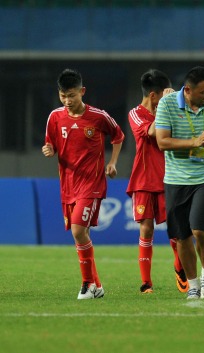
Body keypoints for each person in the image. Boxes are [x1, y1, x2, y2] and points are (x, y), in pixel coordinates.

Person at [42, 68, 125, 299]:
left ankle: (87, 284)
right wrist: (49, 149)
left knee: (78, 231)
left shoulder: (98, 116)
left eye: (71, 95)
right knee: (82, 234)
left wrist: (112, 162)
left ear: (82, 92)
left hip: (92, 184)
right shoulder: (55, 117)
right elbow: (51, 144)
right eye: (63, 96)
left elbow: (118, 136)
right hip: (68, 185)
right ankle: (97, 286)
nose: (67, 101)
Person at [155, 66, 204, 300]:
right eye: (203, 92)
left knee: (199, 227)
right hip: (176, 179)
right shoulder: (167, 105)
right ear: (187, 90)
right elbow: (162, 142)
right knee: (182, 236)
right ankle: (194, 284)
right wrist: (193, 142)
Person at [126, 69, 187, 294]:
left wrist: (172, 107)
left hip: (168, 178)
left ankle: (180, 268)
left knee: (175, 231)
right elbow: (152, 132)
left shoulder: (168, 109)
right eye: (163, 96)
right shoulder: (136, 114)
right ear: (153, 96)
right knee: (146, 229)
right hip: (143, 180)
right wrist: (167, 106)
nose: (165, 100)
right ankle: (146, 283)